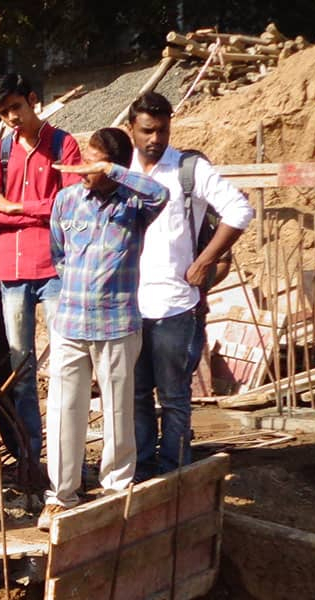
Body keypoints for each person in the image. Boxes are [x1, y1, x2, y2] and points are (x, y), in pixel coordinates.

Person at [39, 129, 169, 525]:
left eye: (91, 164)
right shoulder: (66, 200)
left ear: (112, 167)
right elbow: (59, 254)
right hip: (71, 323)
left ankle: (115, 487)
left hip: (117, 323)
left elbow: (160, 194)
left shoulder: (134, 204)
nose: (82, 170)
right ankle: (61, 495)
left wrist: (113, 170)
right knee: (64, 409)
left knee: (117, 408)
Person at [123, 92, 254, 480]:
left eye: (163, 130)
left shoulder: (188, 169)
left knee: (175, 399)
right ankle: (144, 473)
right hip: (128, 306)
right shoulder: (119, 169)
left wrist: (205, 260)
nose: (155, 139)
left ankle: (174, 475)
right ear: (130, 129)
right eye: (147, 130)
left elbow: (239, 209)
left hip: (175, 307)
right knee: (136, 396)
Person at [0, 74, 86, 492]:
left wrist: (18, 206)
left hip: (55, 269)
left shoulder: (64, 145)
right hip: (12, 272)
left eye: (16, 108)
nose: (11, 118)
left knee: (66, 366)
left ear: (34, 101)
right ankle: (30, 460)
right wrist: (39, 211)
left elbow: (71, 204)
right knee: (21, 368)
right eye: (3, 112)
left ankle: (65, 464)